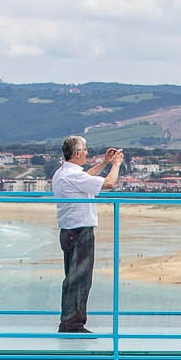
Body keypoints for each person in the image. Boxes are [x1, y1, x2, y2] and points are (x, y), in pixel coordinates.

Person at [50, 135, 122, 335]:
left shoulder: (64, 173)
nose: (88, 153)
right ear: (77, 153)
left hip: (70, 229)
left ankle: (70, 322)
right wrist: (116, 165)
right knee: (80, 278)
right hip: (79, 230)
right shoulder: (72, 176)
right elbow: (109, 184)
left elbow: (88, 179)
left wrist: (104, 163)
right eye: (85, 150)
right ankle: (72, 325)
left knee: (74, 277)